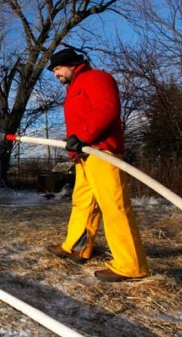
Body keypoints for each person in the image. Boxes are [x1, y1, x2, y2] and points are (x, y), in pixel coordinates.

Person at [46, 48, 149, 282]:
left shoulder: (97, 78)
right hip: (85, 154)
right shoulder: (74, 88)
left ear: (72, 64)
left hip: (103, 151)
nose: (55, 74)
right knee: (83, 202)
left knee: (115, 206)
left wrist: (83, 135)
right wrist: (75, 143)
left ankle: (130, 265)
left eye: (57, 69)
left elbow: (107, 109)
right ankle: (76, 247)